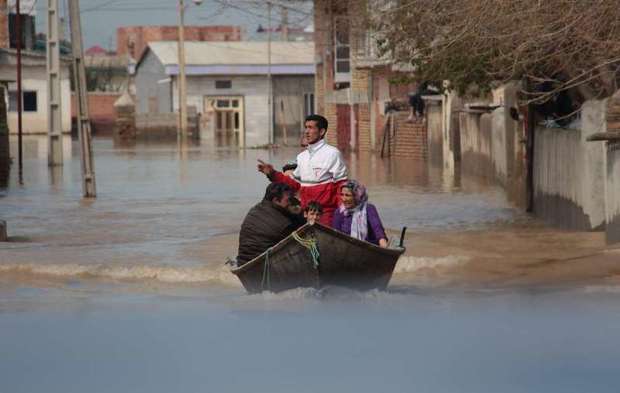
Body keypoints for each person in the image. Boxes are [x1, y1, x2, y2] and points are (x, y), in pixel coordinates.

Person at [257, 114, 348, 227]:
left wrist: (343, 216)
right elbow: (294, 185)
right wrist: (272, 173)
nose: (306, 131)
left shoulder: (332, 153)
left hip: (325, 214)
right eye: (306, 127)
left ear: (322, 131)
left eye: (311, 128)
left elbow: (342, 187)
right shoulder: (302, 157)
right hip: (306, 213)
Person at [236, 183, 302, 265]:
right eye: (288, 200)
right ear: (276, 200)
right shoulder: (283, 224)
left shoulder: (256, 209)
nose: (290, 203)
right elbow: (299, 238)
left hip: (243, 261)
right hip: (264, 265)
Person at [332, 180, 388, 248]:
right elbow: (335, 235)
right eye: (342, 195)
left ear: (356, 196)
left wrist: (383, 244)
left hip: (368, 248)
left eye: (347, 195)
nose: (344, 199)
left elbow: (377, 229)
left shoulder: (369, 209)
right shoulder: (339, 212)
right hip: (346, 248)